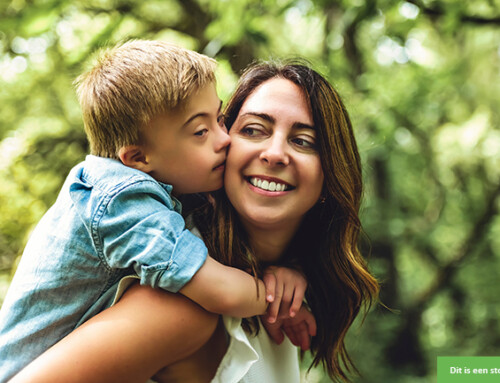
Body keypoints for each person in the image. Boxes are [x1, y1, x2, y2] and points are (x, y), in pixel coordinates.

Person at [10, 61, 379, 383]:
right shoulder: (181, 302)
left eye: (303, 141)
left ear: (331, 173)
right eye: (252, 130)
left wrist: (286, 275)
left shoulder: (283, 301)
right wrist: (266, 296)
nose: (275, 153)